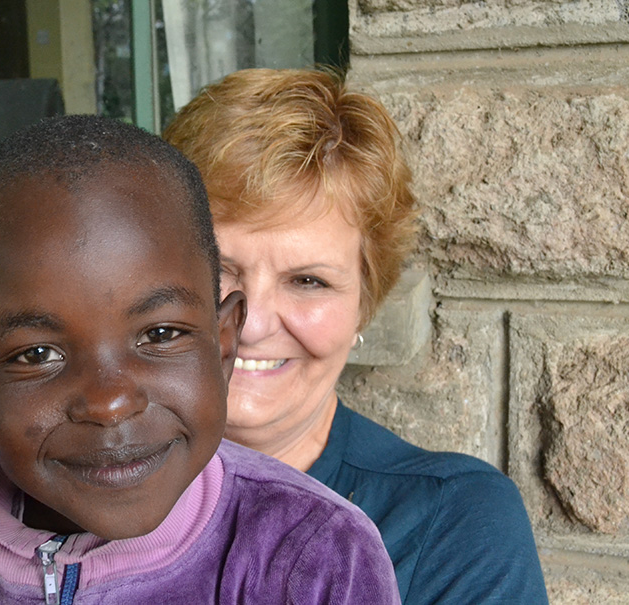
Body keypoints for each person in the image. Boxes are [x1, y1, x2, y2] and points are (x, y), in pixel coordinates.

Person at [0, 115, 400, 604]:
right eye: (38, 354)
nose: (110, 402)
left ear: (223, 347)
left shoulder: (315, 557)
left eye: (161, 333)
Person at [163, 68, 548, 604]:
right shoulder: (68, 486)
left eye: (308, 281)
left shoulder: (454, 524)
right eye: (216, 268)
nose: (251, 323)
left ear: (365, 305)